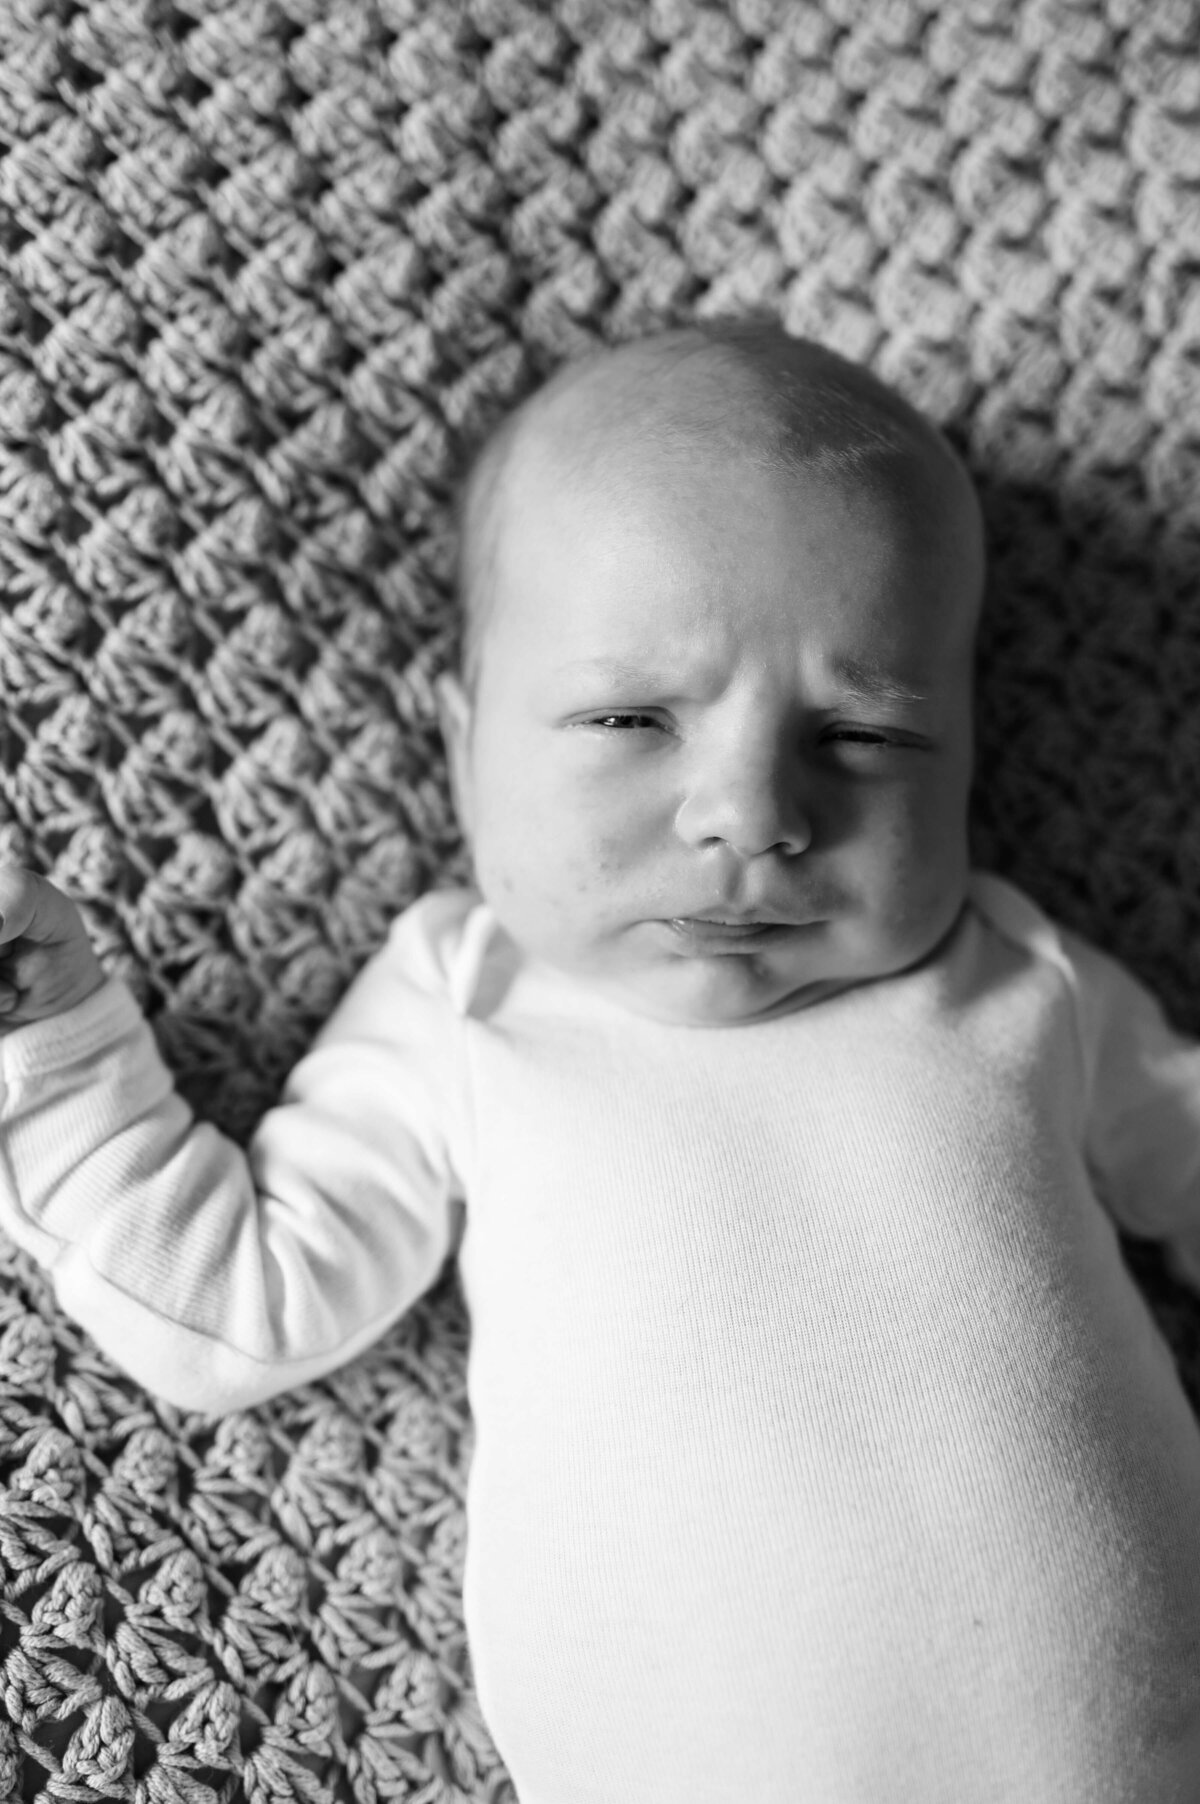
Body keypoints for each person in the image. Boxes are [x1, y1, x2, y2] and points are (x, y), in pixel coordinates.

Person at [2, 318, 1200, 1802]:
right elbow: (230, 1311)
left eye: (869, 733)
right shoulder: (471, 1005)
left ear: (972, 754)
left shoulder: (1020, 980)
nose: (750, 813)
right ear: (463, 748)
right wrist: (51, 1044)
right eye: (631, 718)